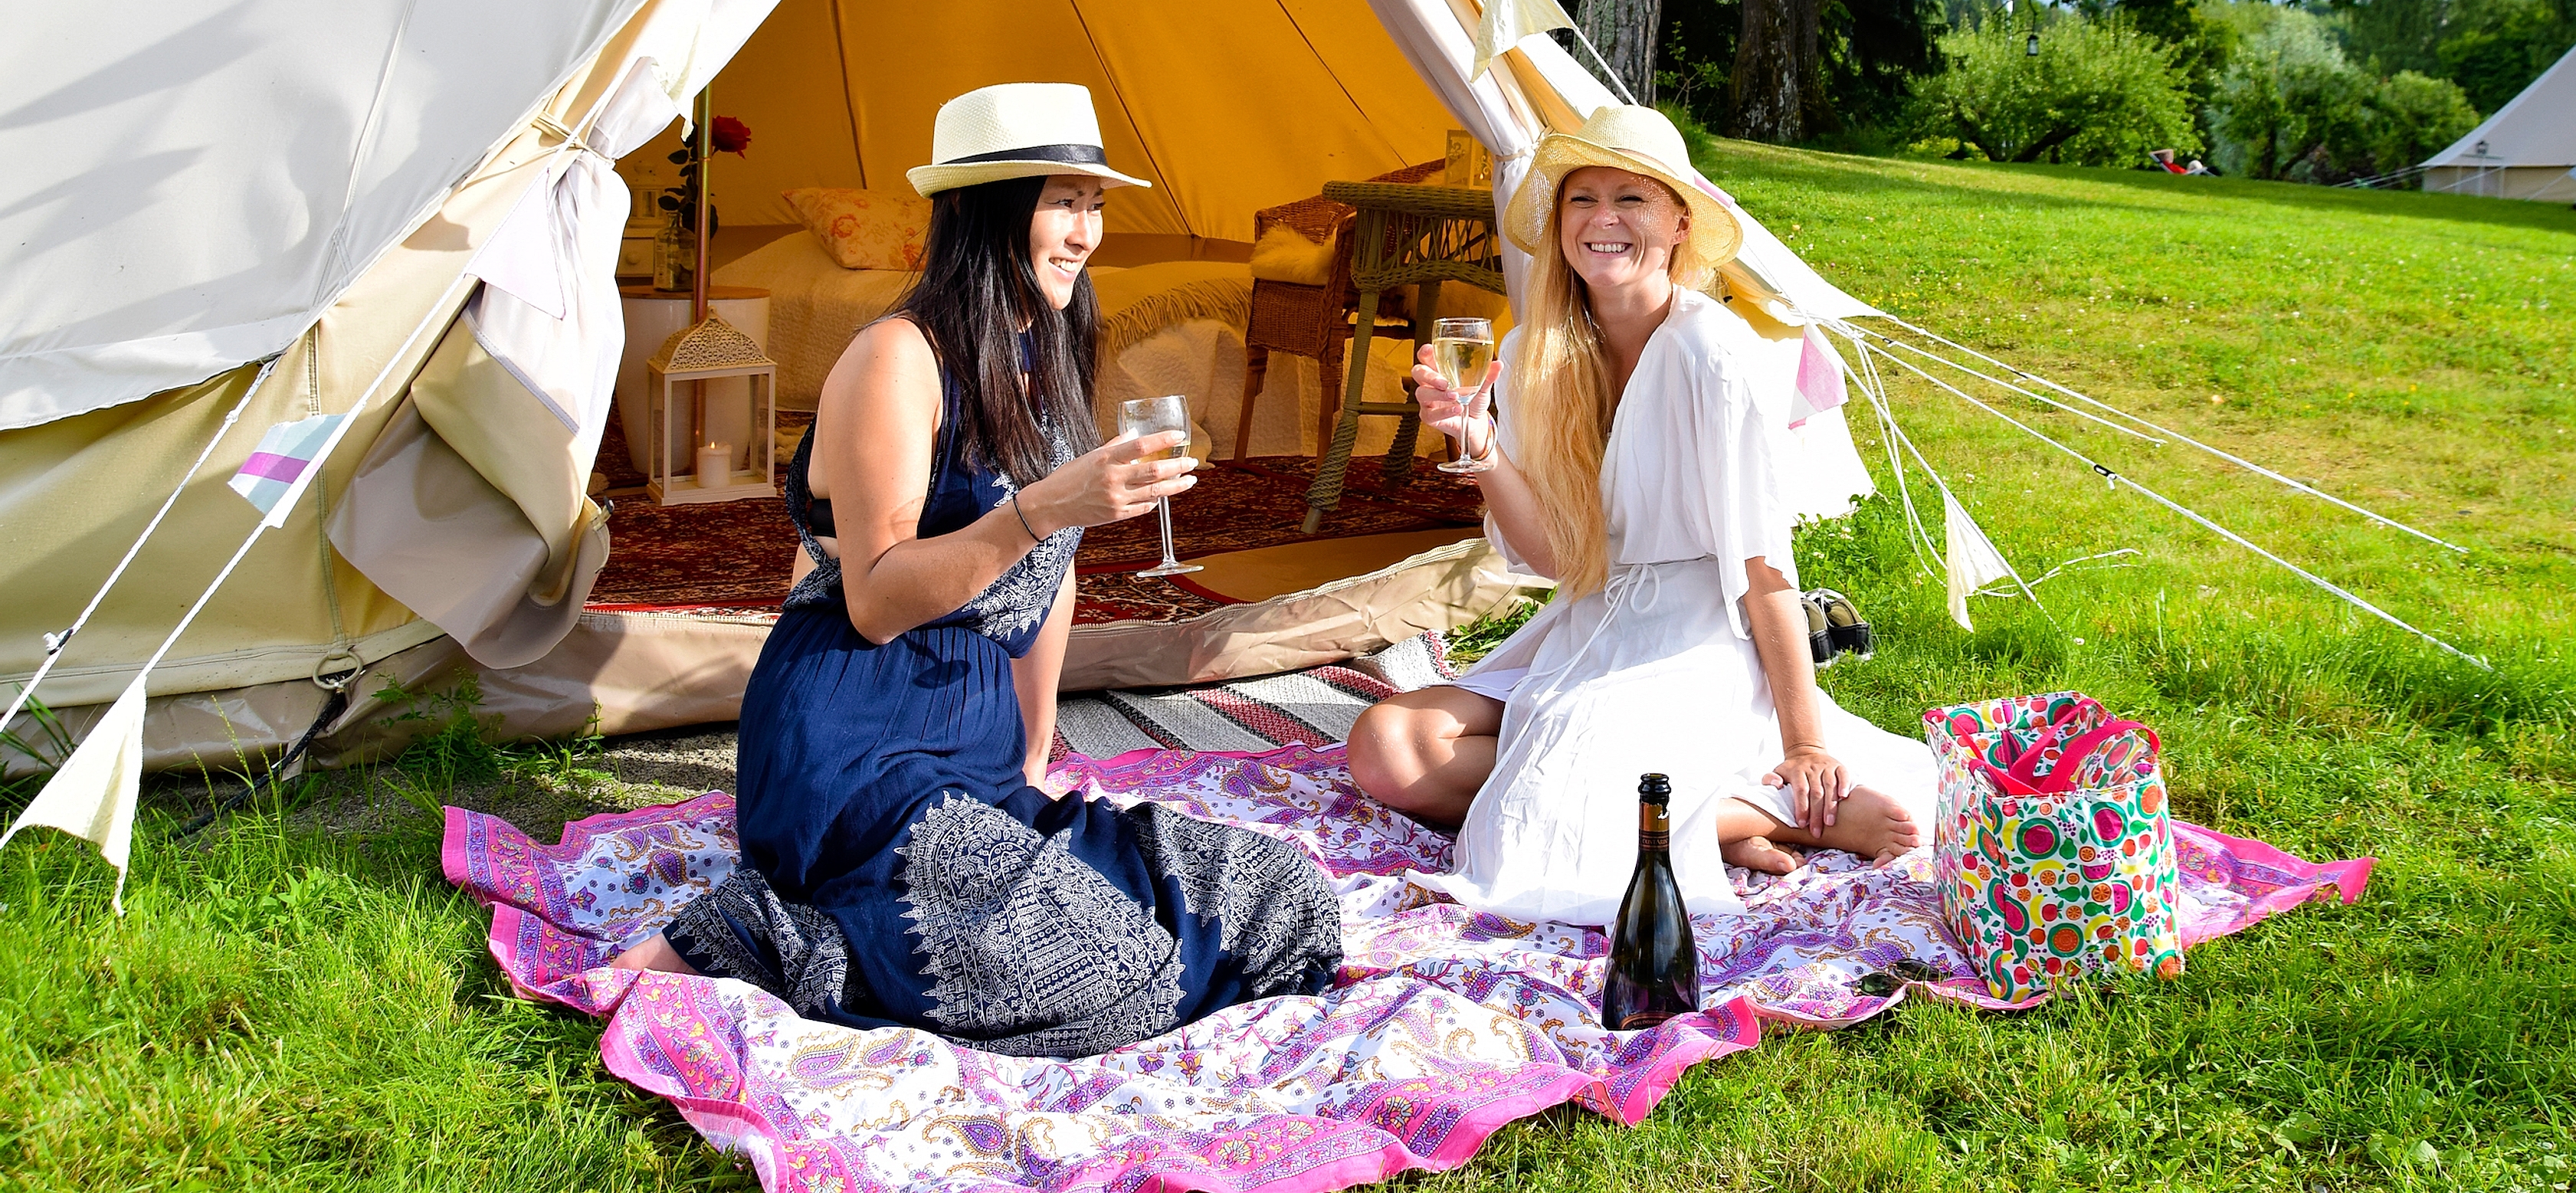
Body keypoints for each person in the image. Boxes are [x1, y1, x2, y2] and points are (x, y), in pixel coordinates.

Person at [612, 82, 1341, 1056]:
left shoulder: (1044, 357)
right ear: (987, 210)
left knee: (1283, 901)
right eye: (1062, 200)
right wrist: (1042, 506)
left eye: (1095, 203)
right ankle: (759, 931)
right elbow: (874, 600)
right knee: (1099, 971)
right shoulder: (895, 358)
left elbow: (1055, 576)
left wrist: (1035, 754)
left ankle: (981, 875)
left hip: (974, 754)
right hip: (852, 741)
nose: (1085, 232)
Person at [1343, 104, 1935, 926]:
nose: (1604, 220)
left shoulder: (1715, 358)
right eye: (1582, 199)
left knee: (1541, 815)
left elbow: (1766, 573)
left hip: (1695, 631)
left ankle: (1786, 811)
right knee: (1388, 747)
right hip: (1589, 619)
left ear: (1678, 223)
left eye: (1633, 199)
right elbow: (1555, 557)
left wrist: (1804, 743)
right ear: (1558, 223)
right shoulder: (1532, 352)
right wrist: (1476, 439)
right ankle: (1703, 816)